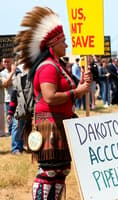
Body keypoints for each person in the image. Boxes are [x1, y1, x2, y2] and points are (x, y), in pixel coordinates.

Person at [15, 6, 91, 199]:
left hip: (60, 122)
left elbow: (69, 94)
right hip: (50, 124)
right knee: (49, 171)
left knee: (61, 170)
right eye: (64, 42)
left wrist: (82, 85)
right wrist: (78, 90)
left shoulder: (58, 65)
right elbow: (50, 97)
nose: (67, 45)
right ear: (53, 44)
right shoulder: (48, 67)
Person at [1, 56, 23, 154]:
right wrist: (12, 73)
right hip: (8, 101)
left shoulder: (19, 71)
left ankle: (20, 146)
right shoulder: (2, 73)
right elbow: (5, 84)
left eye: (8, 61)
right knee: (14, 124)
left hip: (19, 100)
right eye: (4, 62)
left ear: (12, 61)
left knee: (19, 124)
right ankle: (15, 148)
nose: (6, 63)